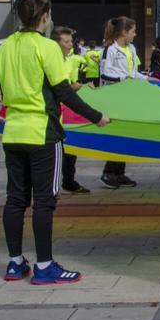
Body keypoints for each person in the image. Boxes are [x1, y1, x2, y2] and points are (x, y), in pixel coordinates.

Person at [0, 0, 109, 284]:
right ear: (44, 17)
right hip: (43, 132)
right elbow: (62, 92)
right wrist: (96, 116)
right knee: (45, 201)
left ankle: (14, 262)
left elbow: (5, 90)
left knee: (15, 199)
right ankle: (45, 266)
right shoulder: (47, 48)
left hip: (13, 131)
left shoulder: (5, 46)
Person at [99, 17, 142, 189]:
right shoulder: (109, 50)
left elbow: (134, 73)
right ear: (124, 32)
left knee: (126, 133)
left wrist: (148, 78)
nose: (135, 34)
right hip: (114, 98)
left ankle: (119, 171)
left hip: (128, 97)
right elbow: (104, 74)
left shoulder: (131, 49)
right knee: (116, 134)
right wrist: (124, 78)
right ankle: (108, 172)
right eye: (133, 31)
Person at [54, 27, 91, 196]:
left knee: (70, 147)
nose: (70, 45)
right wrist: (77, 86)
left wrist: (79, 85)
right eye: (66, 42)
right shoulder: (52, 61)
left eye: (71, 42)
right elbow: (62, 87)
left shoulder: (71, 60)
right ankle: (51, 189)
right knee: (57, 150)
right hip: (54, 111)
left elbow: (70, 84)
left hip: (67, 110)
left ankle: (68, 180)